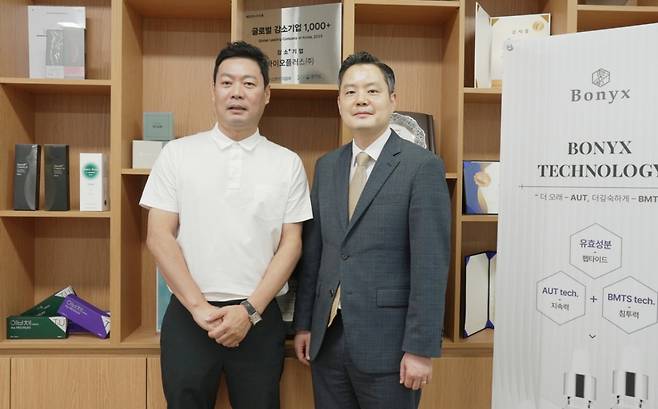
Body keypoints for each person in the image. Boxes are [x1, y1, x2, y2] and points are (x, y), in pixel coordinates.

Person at [141, 41, 312, 409]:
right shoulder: (177, 154)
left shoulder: (287, 163)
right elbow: (158, 235)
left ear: (267, 94)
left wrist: (249, 311)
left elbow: (292, 244)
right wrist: (199, 307)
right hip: (189, 316)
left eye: (249, 83)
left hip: (259, 318)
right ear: (213, 91)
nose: (237, 92)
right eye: (227, 82)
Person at [293, 51, 451, 409]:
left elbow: (430, 264)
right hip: (327, 340)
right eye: (350, 92)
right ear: (339, 103)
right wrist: (304, 324)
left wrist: (420, 348)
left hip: (391, 346)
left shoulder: (422, 167)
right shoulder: (327, 166)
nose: (360, 99)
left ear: (392, 100)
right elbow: (315, 254)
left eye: (372, 91)